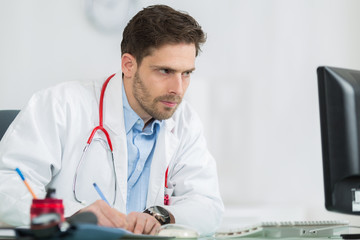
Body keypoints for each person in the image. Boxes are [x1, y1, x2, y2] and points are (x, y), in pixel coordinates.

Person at [0, 4, 224, 235]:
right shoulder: (61, 105)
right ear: (129, 65)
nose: (178, 89)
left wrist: (163, 215)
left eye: (186, 73)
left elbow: (208, 206)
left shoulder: (185, 122)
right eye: (165, 71)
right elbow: (6, 187)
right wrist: (73, 215)